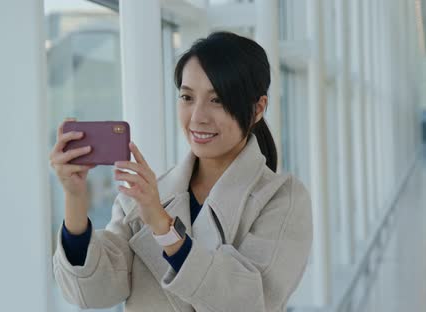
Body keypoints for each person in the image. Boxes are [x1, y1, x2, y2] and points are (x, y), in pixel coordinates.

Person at [49, 31, 313, 312]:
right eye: (187, 97)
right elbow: (93, 292)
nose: (197, 117)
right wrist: (75, 198)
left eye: (217, 100)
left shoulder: (283, 199)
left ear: (258, 108)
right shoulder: (146, 195)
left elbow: (248, 302)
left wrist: (163, 227)